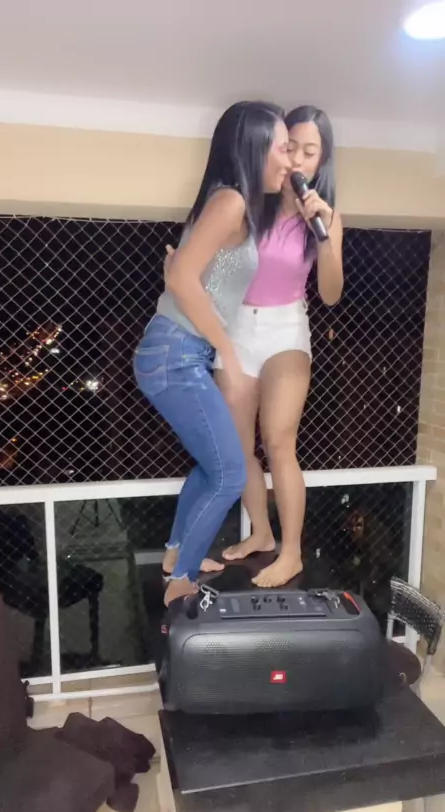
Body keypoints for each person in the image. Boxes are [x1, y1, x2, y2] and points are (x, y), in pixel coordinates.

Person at [163, 105, 344, 589]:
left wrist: (325, 236)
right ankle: (261, 532)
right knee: (239, 447)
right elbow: (214, 264)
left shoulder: (325, 218)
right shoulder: (250, 202)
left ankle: (292, 552)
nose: (297, 160)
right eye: (290, 147)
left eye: (310, 152)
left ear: (322, 160)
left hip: (287, 328)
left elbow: (330, 294)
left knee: (280, 441)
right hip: (237, 327)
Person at [133, 101, 291, 605]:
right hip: (176, 353)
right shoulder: (230, 201)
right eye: (284, 148)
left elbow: (185, 274)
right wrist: (231, 355)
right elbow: (183, 277)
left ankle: (175, 555)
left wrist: (179, 278)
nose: (289, 160)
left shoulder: (228, 202)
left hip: (178, 352)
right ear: (254, 147)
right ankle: (180, 583)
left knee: (213, 465)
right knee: (229, 473)